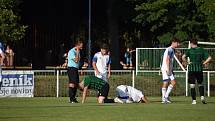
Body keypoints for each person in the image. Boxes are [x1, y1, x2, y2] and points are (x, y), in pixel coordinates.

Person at [182, 39, 212, 104]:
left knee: (192, 85)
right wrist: (204, 63)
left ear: (192, 44)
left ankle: (194, 100)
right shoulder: (201, 49)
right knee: (200, 84)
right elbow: (209, 58)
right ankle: (202, 97)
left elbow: (183, 57)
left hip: (191, 69)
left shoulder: (189, 50)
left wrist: (186, 62)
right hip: (199, 69)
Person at [161, 38, 179, 104]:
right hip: (166, 68)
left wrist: (171, 70)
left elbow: (170, 61)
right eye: (177, 43)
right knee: (165, 83)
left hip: (168, 69)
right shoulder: (170, 49)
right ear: (173, 42)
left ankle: (166, 96)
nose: (178, 44)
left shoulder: (171, 49)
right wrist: (168, 69)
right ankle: (164, 98)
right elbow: (167, 60)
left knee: (173, 82)